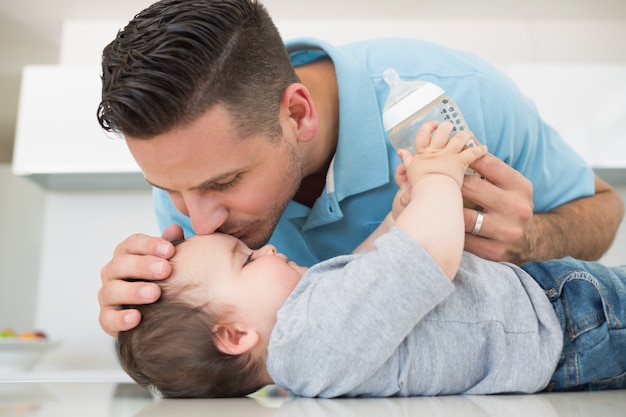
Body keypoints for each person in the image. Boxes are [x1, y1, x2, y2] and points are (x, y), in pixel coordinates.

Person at [97, 0, 624, 337]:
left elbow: (605, 207)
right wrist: (147, 317)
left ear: (297, 113)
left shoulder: (457, 93)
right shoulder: (191, 177)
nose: (201, 221)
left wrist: (532, 239)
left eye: (225, 183)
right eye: (170, 190)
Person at [116, 122, 626, 398]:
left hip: (554, 321)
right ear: (234, 335)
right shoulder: (309, 340)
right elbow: (427, 257)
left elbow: (370, 269)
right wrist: (438, 177)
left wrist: (401, 214)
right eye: (248, 261)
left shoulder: (313, 341)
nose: (268, 249)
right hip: (572, 321)